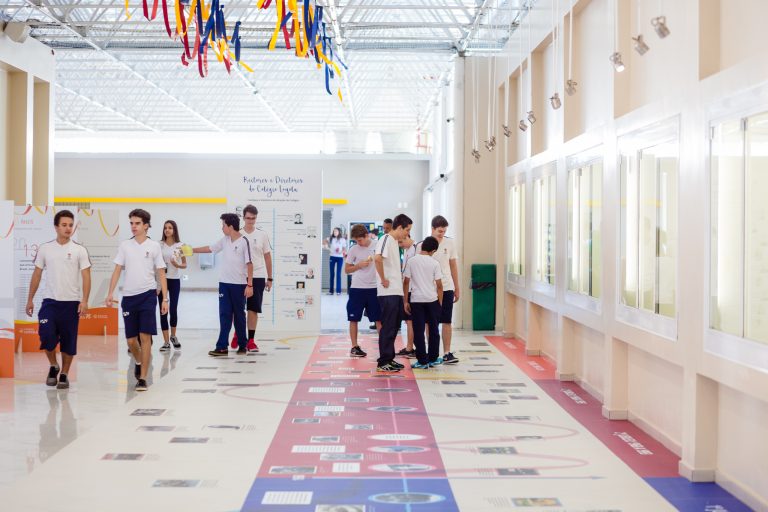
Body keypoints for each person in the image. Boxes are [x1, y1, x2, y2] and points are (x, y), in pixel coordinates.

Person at [25, 210, 92, 390]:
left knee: (68, 342)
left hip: (71, 303)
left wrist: (84, 300)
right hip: (50, 302)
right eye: (64, 225)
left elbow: (86, 276)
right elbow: (37, 274)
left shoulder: (79, 250)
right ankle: (54, 365)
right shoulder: (45, 248)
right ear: (56, 227)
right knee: (47, 337)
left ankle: (64, 374)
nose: (68, 228)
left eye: (70, 225)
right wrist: (30, 299)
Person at [107, 209, 168, 392]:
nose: (133, 226)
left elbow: (161, 273)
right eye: (131, 223)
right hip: (129, 297)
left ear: (146, 225)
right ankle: (139, 361)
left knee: (145, 337)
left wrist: (165, 299)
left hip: (148, 295)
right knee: (131, 341)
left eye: (137, 223)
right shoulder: (125, 246)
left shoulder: (154, 246)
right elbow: (117, 270)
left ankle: (142, 378)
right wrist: (110, 293)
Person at [189, 213, 253, 357]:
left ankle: (243, 344)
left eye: (223, 225)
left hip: (239, 285)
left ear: (230, 226)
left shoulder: (244, 241)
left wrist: (249, 285)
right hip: (224, 284)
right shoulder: (225, 240)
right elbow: (210, 248)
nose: (221, 228)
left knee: (239, 316)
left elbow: (250, 264)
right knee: (224, 315)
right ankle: (222, 346)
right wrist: (191, 250)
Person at [374, 214, 412, 372]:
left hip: (396, 291)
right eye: (407, 230)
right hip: (387, 292)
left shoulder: (395, 242)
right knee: (388, 326)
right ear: (400, 227)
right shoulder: (385, 239)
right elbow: (377, 258)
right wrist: (383, 279)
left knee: (394, 326)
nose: (407, 233)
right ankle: (383, 362)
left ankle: (389, 358)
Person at [234, 204, 272, 353]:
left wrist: (270, 278)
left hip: (258, 276)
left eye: (253, 218)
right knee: (238, 309)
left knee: (253, 309)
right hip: (240, 277)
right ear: (243, 218)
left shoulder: (262, 235)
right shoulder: (237, 234)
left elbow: (267, 257)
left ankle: (251, 340)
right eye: (248, 218)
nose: (250, 221)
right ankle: (238, 334)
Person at [403, 236, 443, 369]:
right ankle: (433, 358)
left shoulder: (411, 261)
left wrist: (405, 301)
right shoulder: (435, 263)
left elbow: (406, 282)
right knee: (434, 330)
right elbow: (439, 285)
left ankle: (422, 361)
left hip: (416, 300)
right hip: (432, 300)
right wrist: (440, 302)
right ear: (433, 250)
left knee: (418, 330)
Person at [344, 224, 381, 358]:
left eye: (360, 240)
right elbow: (347, 270)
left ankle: (384, 348)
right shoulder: (353, 249)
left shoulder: (377, 246)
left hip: (374, 288)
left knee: (379, 319)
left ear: (366, 236)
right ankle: (354, 347)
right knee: (353, 318)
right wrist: (358, 265)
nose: (358, 243)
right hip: (357, 288)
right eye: (356, 240)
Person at [430, 215, 461, 364]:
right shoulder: (426, 244)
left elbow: (453, 265)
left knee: (446, 321)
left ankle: (447, 352)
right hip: (430, 289)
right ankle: (432, 352)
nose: (442, 234)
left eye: (444, 231)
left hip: (447, 287)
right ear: (433, 229)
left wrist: (457, 287)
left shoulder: (450, 243)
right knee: (431, 322)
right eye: (439, 231)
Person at [158, 220, 185, 352]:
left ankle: (173, 336)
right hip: (161, 280)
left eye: (170, 228)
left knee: (173, 309)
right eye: (165, 228)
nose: (167, 230)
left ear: (174, 230)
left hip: (174, 280)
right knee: (163, 311)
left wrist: (177, 265)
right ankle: (166, 342)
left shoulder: (180, 245)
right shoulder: (159, 245)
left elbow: (184, 264)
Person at [396, 234, 417, 359]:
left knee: (410, 321)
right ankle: (409, 347)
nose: (400, 245)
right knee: (408, 321)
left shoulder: (415, 249)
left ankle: (410, 348)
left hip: (412, 290)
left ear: (406, 236)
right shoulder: (407, 250)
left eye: (400, 242)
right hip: (406, 289)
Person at [325, 227, 347, 295]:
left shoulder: (343, 239)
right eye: (334, 231)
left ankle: (338, 291)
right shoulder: (331, 238)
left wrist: (341, 251)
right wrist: (327, 247)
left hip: (340, 258)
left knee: (338, 274)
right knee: (332, 274)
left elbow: (344, 249)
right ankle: (331, 291)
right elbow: (324, 241)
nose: (335, 232)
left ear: (339, 232)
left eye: (336, 231)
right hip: (332, 257)